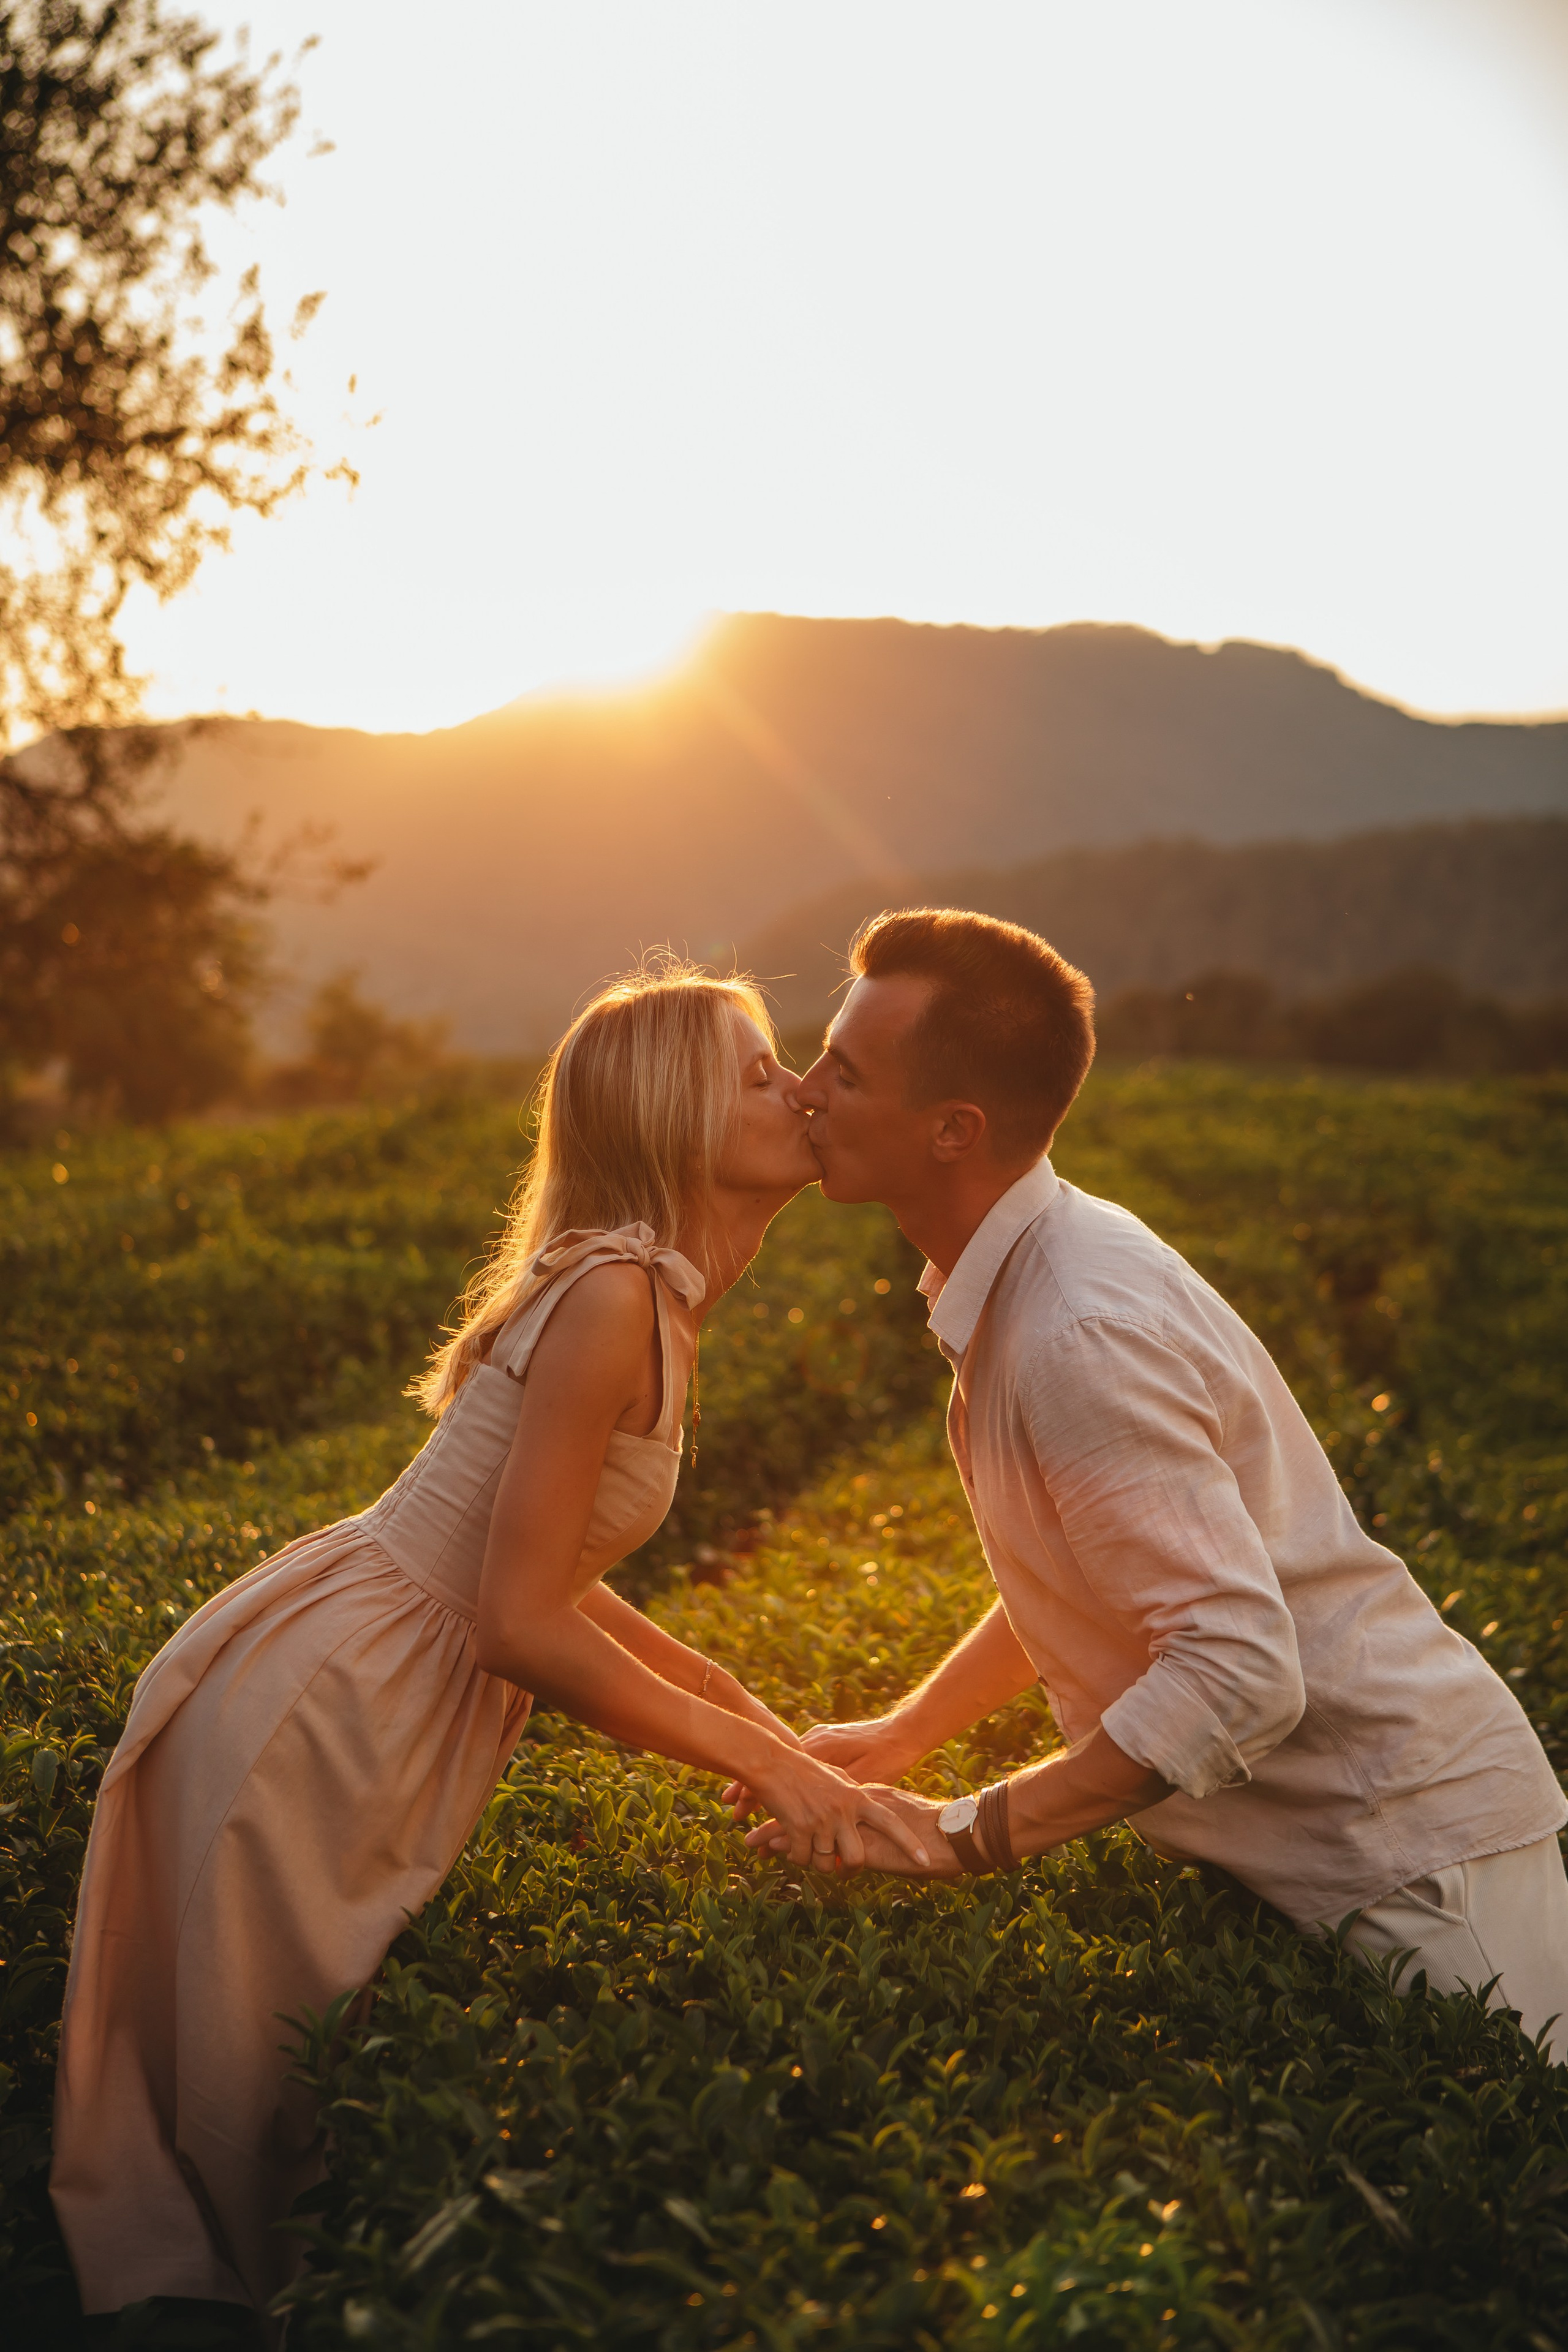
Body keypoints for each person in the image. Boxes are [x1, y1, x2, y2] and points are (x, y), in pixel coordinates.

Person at [51, 965, 927, 2346]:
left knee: (268, 2128)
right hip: (335, 1701)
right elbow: (515, 1621)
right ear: (666, 1113)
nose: (799, 1088)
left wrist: (733, 1700)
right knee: (256, 2145)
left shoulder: (653, 1293)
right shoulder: (616, 1297)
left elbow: (552, 1565)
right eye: (756, 1071)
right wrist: (767, 1766)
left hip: (366, 1661)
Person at [750, 906, 1568, 2057]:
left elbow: (1236, 1674)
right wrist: (908, 1732)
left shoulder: (1077, 1331)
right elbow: (1095, 1563)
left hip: (1413, 1862)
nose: (804, 1089)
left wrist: (957, 1836)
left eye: (842, 1069)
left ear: (952, 1130)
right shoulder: (1041, 1272)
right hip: (1347, 1843)